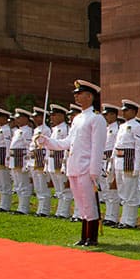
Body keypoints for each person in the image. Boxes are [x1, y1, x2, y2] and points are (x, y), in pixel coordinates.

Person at [37, 80, 107, 246]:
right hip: (74, 165)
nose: (76, 96)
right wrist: (46, 141)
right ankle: (84, 236)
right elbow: (67, 142)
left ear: (89, 96)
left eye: (79, 93)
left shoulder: (97, 119)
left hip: (86, 167)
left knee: (89, 202)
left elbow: (98, 147)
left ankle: (92, 237)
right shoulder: (77, 119)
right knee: (81, 202)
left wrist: (94, 171)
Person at [112, 100, 140, 229]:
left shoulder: (137, 127)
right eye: (123, 110)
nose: (124, 112)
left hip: (129, 161)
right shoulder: (122, 126)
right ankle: (124, 219)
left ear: (133, 112)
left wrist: (137, 166)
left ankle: (130, 220)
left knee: (130, 192)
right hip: (120, 161)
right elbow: (116, 146)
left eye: (126, 110)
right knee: (122, 192)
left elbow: (138, 148)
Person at [47, 104, 73, 218]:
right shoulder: (54, 129)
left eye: (54, 115)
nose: (52, 118)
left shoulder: (65, 129)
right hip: (52, 161)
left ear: (61, 115)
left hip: (60, 160)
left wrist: (64, 164)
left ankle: (64, 212)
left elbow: (67, 147)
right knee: (58, 189)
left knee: (64, 188)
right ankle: (59, 211)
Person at [8, 109, 34, 214]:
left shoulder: (27, 131)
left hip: (21, 159)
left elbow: (28, 148)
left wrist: (27, 163)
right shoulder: (18, 131)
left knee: (23, 185)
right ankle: (20, 207)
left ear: (25, 118)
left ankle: (24, 208)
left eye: (19, 118)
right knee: (18, 185)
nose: (17, 120)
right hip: (15, 159)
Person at [29, 108, 53, 217]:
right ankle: (40, 208)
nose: (34, 118)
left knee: (42, 185)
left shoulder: (45, 129)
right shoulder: (36, 129)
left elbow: (46, 145)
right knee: (38, 186)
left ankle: (44, 210)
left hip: (41, 157)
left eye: (36, 116)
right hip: (34, 157)